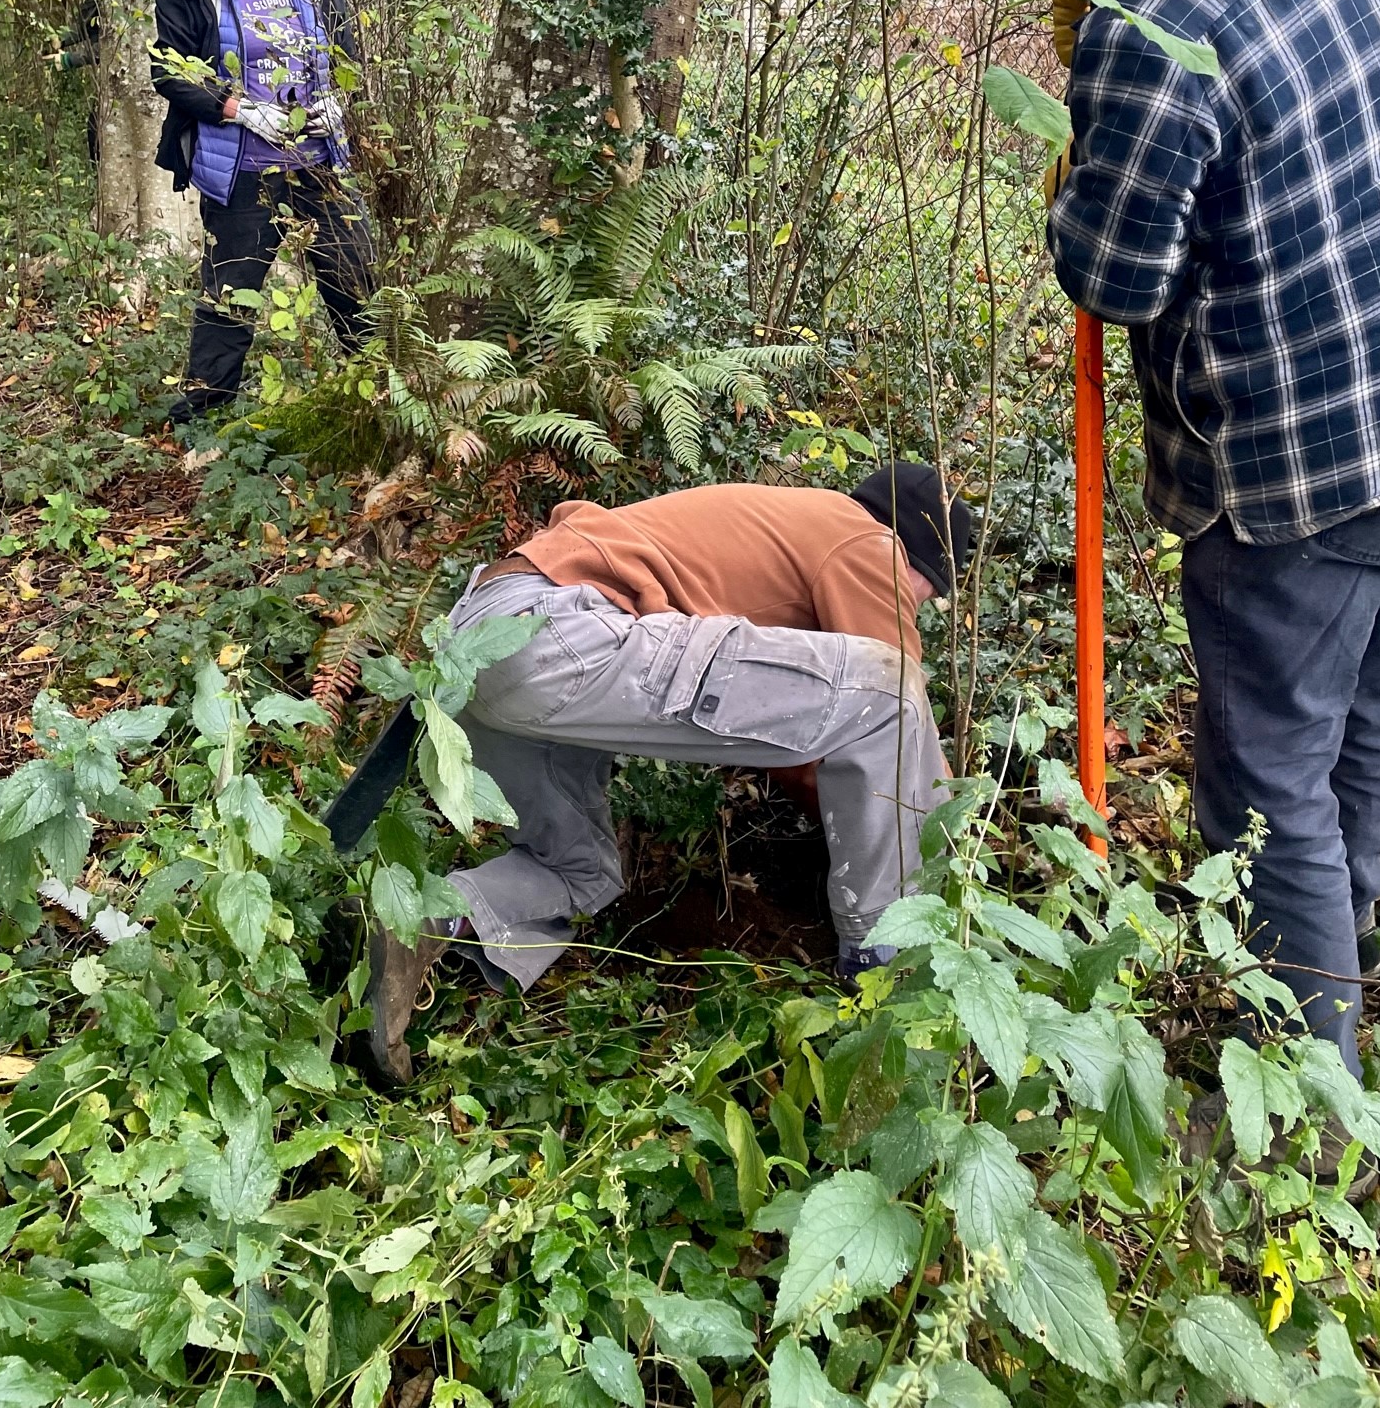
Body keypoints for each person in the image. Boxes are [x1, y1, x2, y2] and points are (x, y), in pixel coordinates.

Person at [987, 0, 1380, 1078]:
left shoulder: (1153, 31)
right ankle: (1339, 967)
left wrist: (1075, 167)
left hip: (1299, 469)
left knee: (1265, 783)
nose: (1052, 1)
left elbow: (1112, 275)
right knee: (1357, 714)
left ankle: (1302, 1096)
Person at [358, 464, 970, 1084]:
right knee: (892, 693)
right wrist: (963, 847)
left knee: (577, 874)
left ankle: (419, 920)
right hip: (561, 631)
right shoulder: (866, 539)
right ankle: (888, 977)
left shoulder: (780, 524)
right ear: (918, 558)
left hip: (484, 638)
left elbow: (810, 745)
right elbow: (891, 718)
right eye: (931, 594)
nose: (920, 605)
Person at [151, 0, 376, 424]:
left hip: (320, 159)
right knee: (231, 292)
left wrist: (336, 99)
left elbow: (348, 50)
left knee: (356, 277)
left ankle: (378, 392)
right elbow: (169, 72)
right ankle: (203, 419)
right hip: (242, 168)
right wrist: (241, 110)